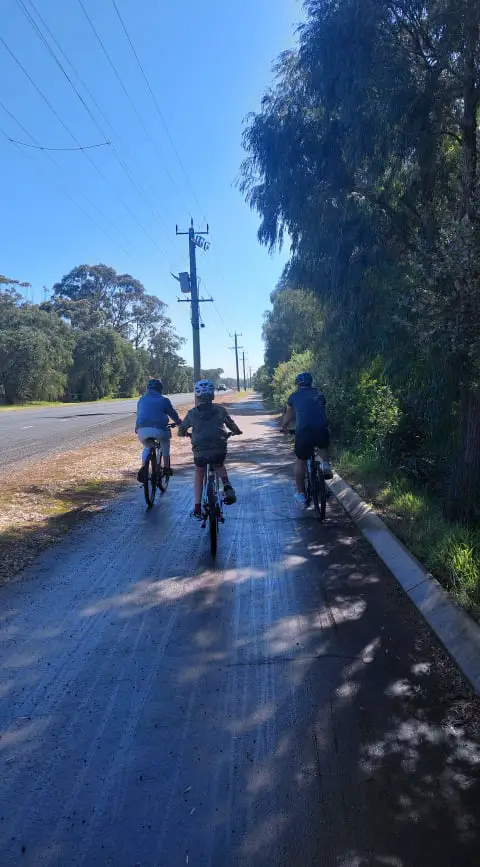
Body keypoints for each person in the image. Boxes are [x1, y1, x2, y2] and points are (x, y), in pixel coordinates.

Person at [178, 379, 242, 519]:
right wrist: (237, 431)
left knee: (199, 471)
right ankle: (226, 484)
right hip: (219, 448)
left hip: (200, 450)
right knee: (219, 465)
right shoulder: (220, 410)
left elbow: (181, 429)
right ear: (212, 395)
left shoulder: (192, 413)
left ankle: (197, 507)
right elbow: (231, 424)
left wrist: (185, 434)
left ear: (197, 396)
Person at [281, 371, 332, 508]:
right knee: (323, 446)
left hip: (303, 433)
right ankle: (326, 466)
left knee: (301, 460)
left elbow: (289, 416)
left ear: (298, 384)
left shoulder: (294, 397)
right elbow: (321, 413)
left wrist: (284, 427)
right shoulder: (319, 395)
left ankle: (301, 494)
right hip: (321, 429)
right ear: (311, 382)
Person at [135, 378, 182, 483]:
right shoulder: (164, 400)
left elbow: (139, 415)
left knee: (148, 446)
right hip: (159, 430)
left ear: (148, 389)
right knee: (165, 442)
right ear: (160, 389)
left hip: (142, 430)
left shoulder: (141, 399)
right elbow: (172, 414)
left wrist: (137, 427)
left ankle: (144, 467)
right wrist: (179, 423)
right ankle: (166, 468)